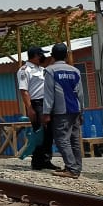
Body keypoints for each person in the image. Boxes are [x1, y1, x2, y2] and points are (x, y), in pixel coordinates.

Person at [42, 42, 85, 179]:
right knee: (74, 140)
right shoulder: (75, 71)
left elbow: (49, 94)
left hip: (61, 111)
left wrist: (46, 112)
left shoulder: (50, 71)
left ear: (52, 56)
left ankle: (72, 169)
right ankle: (76, 167)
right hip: (75, 109)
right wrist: (81, 111)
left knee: (61, 139)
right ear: (66, 55)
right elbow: (80, 93)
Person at [16, 47, 56, 171]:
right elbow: (24, 91)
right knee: (40, 132)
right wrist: (30, 108)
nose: (43, 57)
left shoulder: (42, 69)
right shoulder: (24, 70)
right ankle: (37, 162)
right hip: (36, 104)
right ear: (35, 56)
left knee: (49, 132)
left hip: (47, 103)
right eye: (41, 55)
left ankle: (46, 160)